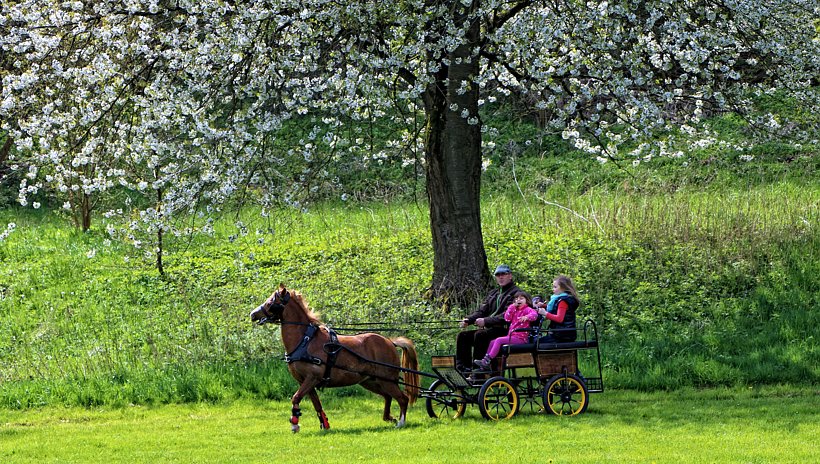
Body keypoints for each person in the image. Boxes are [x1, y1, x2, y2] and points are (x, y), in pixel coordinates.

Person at [456, 264, 522, 372]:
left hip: (506, 330)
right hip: (492, 329)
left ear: (510, 276)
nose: (500, 277)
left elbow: (506, 316)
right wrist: (469, 320)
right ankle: (464, 369)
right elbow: (482, 311)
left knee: (480, 335)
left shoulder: (516, 294)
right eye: (498, 275)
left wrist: (486, 321)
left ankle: (479, 370)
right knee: (463, 336)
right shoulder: (493, 293)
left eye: (503, 274)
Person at [473, 291, 538, 369]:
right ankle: (485, 362)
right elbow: (507, 318)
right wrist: (511, 307)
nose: (518, 300)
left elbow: (534, 315)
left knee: (499, 340)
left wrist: (527, 317)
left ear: (527, 300)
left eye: (521, 298)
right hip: (512, 336)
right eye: (516, 299)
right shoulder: (514, 310)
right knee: (492, 342)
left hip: (521, 338)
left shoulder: (527, 309)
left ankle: (487, 361)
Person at [535, 275, 579, 343]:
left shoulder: (563, 301)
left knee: (537, 343)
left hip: (562, 336)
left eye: (555, 287)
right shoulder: (565, 299)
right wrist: (543, 305)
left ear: (563, 288)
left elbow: (559, 319)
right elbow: (558, 310)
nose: (553, 289)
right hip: (566, 334)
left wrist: (545, 313)